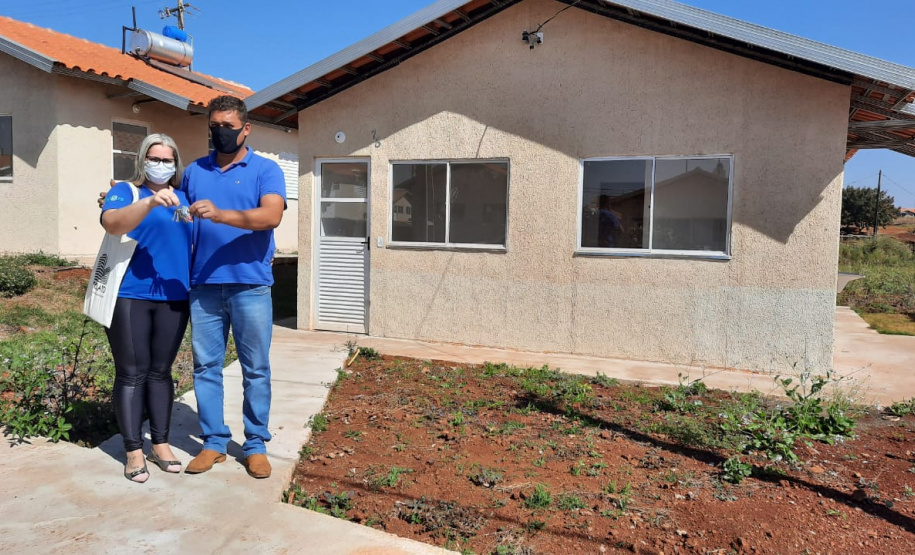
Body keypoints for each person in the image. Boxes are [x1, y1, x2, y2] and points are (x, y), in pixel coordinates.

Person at [183, 95, 286, 479]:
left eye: (227, 126)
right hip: (204, 285)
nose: (220, 132)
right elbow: (177, 211)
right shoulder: (194, 171)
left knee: (255, 368)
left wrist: (222, 214)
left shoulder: (265, 169)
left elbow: (271, 214)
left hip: (250, 285)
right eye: (214, 125)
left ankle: (255, 444)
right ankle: (213, 443)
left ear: (246, 129)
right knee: (206, 367)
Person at [100, 133, 192, 483]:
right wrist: (152, 202)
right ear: (142, 160)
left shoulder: (183, 199)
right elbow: (113, 223)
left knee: (160, 372)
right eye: (155, 158)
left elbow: (192, 238)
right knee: (132, 373)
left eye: (169, 159)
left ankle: (161, 444)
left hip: (173, 297)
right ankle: (133, 449)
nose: (162, 164)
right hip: (129, 296)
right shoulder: (126, 191)